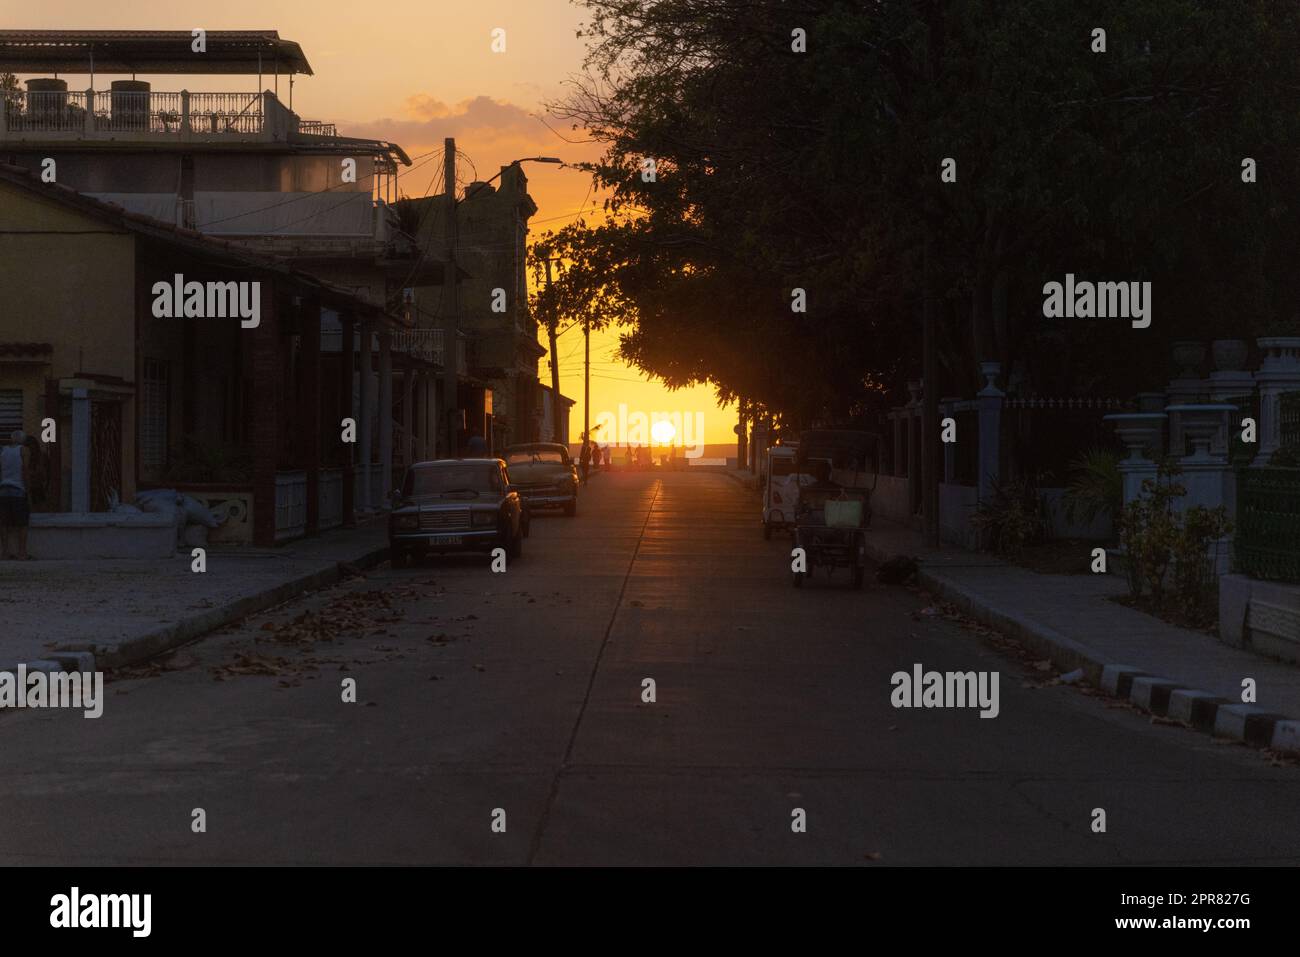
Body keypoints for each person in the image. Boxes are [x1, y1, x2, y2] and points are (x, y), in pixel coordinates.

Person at [0, 430, 32, 560]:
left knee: (3, 523)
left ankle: (4, 552)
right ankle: (22, 553)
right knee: (22, 523)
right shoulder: (24, 450)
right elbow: (25, 470)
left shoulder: (3, 451)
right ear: (23, 441)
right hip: (18, 490)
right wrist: (28, 491)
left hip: (3, 490)